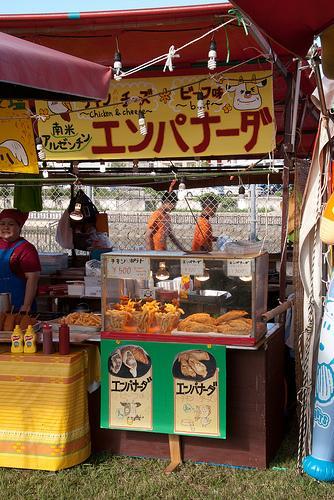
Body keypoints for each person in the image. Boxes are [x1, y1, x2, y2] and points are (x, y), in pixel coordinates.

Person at [0, 209, 41, 312]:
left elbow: (32, 279)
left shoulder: (26, 248)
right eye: (2, 224)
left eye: (11, 224)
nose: (6, 227)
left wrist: (26, 306)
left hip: (18, 306)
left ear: (19, 227)